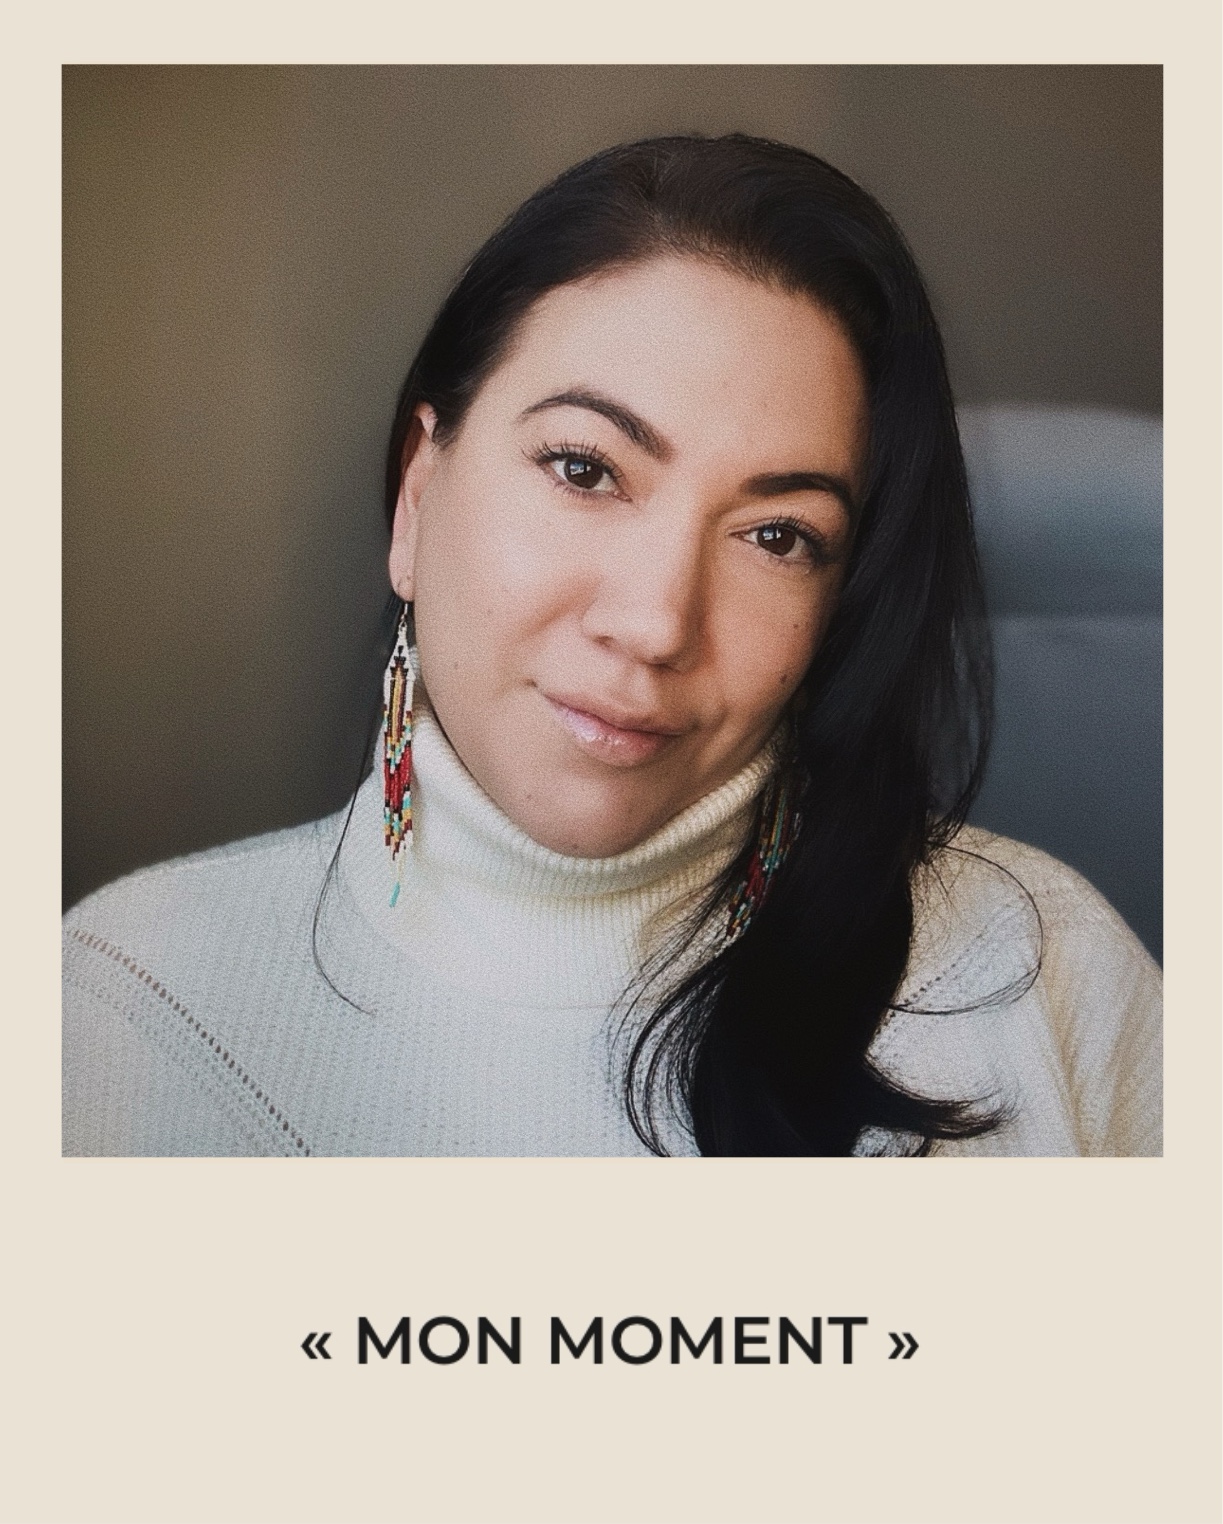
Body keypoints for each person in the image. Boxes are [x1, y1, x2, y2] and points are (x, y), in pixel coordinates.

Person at [62, 134, 1161, 1158]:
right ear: (417, 492)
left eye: (777, 536)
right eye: (584, 470)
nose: (654, 625)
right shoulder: (122, 1003)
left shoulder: (1037, 966)